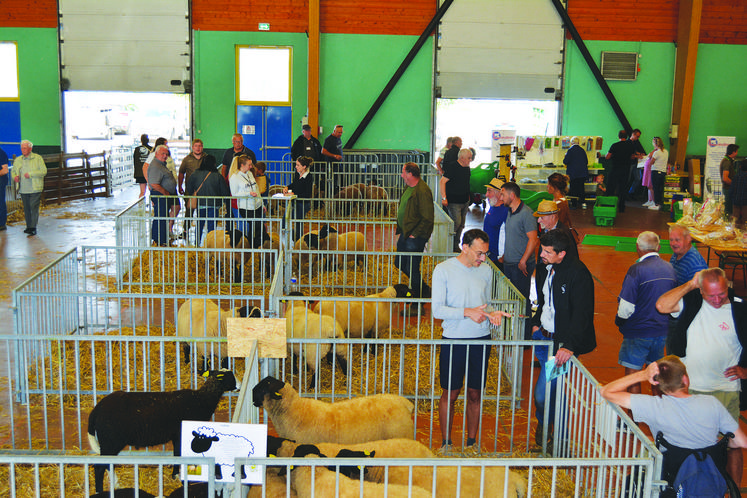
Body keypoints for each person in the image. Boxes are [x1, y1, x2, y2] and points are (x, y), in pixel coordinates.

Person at [656, 267, 747, 485]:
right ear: (701, 291)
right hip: (690, 389)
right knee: (690, 443)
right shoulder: (692, 302)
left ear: (728, 287)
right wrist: (690, 284)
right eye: (711, 295)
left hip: (725, 390)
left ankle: (731, 491)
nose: (716, 299)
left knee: (732, 445)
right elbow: (662, 305)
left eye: (721, 293)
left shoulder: (740, 309)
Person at [431, 228, 512, 456]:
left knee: (475, 393)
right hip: (454, 338)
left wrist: (494, 314)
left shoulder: (486, 271)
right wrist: (467, 312)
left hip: (480, 339)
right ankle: (446, 443)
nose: (483, 258)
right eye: (479, 253)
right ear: (464, 247)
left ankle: (471, 442)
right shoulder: (443, 270)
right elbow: (437, 310)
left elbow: (486, 304)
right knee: (451, 392)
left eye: (485, 253)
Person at [600, 356, 747, 452]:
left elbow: (606, 391)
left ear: (659, 385)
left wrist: (642, 375)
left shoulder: (653, 406)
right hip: (707, 476)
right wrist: (719, 443)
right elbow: (741, 442)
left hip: (670, 474)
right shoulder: (712, 404)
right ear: (685, 380)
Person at [531, 229, 596, 445]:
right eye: (542, 250)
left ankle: (552, 431)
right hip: (542, 338)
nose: (542, 255)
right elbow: (541, 300)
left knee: (544, 393)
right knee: (554, 390)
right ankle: (556, 435)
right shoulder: (543, 268)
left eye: (548, 252)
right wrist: (534, 324)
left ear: (562, 254)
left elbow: (582, 313)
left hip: (560, 347)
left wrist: (568, 345)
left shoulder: (578, 274)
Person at [615, 231, 676, 394]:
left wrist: (619, 321)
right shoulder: (670, 268)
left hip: (638, 331)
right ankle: (658, 414)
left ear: (637, 247)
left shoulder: (636, 270)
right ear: (659, 247)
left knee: (633, 375)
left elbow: (626, 307)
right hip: (661, 331)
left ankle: (633, 418)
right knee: (656, 375)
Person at [500, 181, 538, 339]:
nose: (500, 197)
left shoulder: (526, 214)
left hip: (520, 266)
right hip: (509, 263)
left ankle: (525, 335)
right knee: (512, 298)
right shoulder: (510, 211)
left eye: (502, 194)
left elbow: (533, 239)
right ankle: (513, 331)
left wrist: (523, 260)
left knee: (522, 299)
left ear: (512, 195)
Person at [394, 162, 434, 305]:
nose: (401, 175)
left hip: (414, 236)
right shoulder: (409, 187)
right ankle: (423, 289)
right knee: (399, 262)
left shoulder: (422, 191)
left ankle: (418, 300)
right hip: (406, 233)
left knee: (411, 267)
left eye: (403, 172)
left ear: (410, 174)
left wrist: (415, 234)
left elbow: (428, 217)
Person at [186, 155, 230, 246]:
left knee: (199, 224)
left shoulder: (195, 173)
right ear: (214, 164)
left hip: (200, 203)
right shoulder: (217, 176)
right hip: (214, 205)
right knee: (211, 227)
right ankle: (210, 245)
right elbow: (224, 192)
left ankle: (197, 244)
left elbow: (189, 188)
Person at [229, 155, 266, 247]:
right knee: (257, 225)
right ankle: (253, 246)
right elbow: (234, 194)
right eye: (249, 165)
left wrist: (262, 203)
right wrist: (248, 193)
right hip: (245, 207)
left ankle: (253, 247)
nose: (251, 167)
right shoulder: (234, 177)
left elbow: (256, 188)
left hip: (256, 205)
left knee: (257, 227)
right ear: (242, 165)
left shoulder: (249, 174)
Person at [12, 140, 47, 237]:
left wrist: (31, 174)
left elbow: (44, 171)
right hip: (23, 189)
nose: (23, 150)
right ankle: (28, 227)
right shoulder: (18, 160)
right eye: (22, 148)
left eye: (25, 148)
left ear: (30, 149)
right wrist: (14, 177)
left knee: (33, 208)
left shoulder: (37, 158)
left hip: (35, 187)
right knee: (26, 208)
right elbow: (14, 171)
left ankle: (33, 227)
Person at [440, 148, 472, 252]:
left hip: (465, 200)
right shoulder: (452, 167)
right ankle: (447, 243)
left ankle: (455, 245)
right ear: (462, 158)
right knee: (456, 223)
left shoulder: (467, 168)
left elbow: (466, 182)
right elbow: (442, 182)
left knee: (461, 224)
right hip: (454, 201)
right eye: (469, 158)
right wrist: (444, 197)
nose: (470, 160)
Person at [147, 145, 177, 246]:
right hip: (160, 195)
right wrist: (165, 192)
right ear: (156, 154)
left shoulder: (160, 164)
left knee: (162, 217)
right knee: (161, 217)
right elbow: (154, 184)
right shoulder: (156, 165)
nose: (165, 156)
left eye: (166, 154)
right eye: (162, 154)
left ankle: (159, 240)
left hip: (162, 196)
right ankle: (160, 241)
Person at [284, 156, 314, 241]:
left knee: (298, 223)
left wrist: (294, 194)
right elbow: (294, 184)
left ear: (304, 167)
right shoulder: (297, 173)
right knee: (285, 218)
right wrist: (287, 187)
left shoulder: (309, 177)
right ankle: (289, 237)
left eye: (298, 165)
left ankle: (298, 241)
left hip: (303, 203)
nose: (296, 167)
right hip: (295, 201)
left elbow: (307, 193)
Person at [605, 130, 636, 213]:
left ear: (619, 136)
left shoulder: (615, 145)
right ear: (626, 137)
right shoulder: (630, 146)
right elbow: (632, 157)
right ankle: (621, 208)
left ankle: (609, 205)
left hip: (615, 169)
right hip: (625, 170)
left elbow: (607, 157)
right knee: (622, 189)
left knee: (611, 188)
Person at [482, 178, 508, 269]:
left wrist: (503, 257)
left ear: (499, 193)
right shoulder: (493, 206)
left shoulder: (506, 211)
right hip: (489, 255)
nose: (486, 195)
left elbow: (512, 236)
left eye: (489, 191)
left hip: (499, 259)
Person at [643, 137, 669, 210]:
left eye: (653, 142)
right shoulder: (666, 151)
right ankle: (659, 203)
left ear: (655, 143)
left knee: (656, 188)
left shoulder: (656, 152)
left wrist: (650, 158)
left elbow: (651, 162)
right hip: (663, 172)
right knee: (660, 189)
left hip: (656, 171)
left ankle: (656, 204)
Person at [563, 137, 588, 206]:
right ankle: (583, 203)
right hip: (582, 173)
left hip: (573, 173)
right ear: (579, 143)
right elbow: (586, 162)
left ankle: (574, 204)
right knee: (581, 188)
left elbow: (565, 161)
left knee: (573, 188)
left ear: (571, 143)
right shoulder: (582, 150)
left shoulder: (570, 150)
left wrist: (565, 156)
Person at [627, 128, 647, 200]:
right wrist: (638, 156)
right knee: (628, 179)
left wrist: (639, 153)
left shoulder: (634, 142)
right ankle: (627, 193)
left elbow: (634, 151)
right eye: (637, 136)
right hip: (630, 163)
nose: (638, 138)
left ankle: (631, 192)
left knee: (638, 178)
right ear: (633, 134)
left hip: (636, 163)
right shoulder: (628, 142)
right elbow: (629, 155)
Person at [721, 143, 740, 215]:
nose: (737, 153)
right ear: (733, 152)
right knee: (728, 210)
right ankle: (727, 224)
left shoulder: (727, 161)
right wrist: (734, 184)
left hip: (728, 189)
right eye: (737, 151)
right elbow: (725, 178)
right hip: (728, 189)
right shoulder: (727, 162)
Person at [731, 160, 747, 226]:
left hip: (736, 202)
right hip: (745, 203)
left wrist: (733, 199)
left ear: (740, 167)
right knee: (745, 221)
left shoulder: (736, 176)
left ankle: (735, 233)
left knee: (735, 221)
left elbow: (731, 190)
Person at [0, 146, 8, 231]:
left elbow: (5, 170)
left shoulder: (1, 153)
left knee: (0, 201)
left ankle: (2, 224)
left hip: (1, 181)